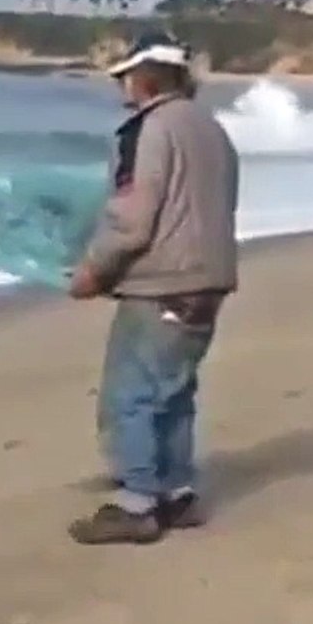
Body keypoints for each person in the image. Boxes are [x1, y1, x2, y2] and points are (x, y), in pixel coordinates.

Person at [67, 32, 239, 545]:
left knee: (132, 395)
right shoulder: (213, 130)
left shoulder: (145, 130)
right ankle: (178, 492)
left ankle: (138, 503)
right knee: (176, 392)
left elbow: (133, 217)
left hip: (163, 284)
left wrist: (95, 270)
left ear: (143, 77)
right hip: (209, 280)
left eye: (123, 75)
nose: (120, 85)